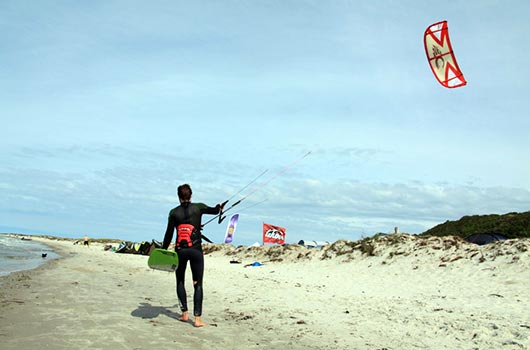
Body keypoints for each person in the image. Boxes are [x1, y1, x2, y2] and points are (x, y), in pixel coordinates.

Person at [162, 184, 224, 327]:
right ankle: (197, 319)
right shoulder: (198, 207)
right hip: (195, 250)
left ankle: (184, 314)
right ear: (191, 195)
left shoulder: (173, 213)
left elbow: (169, 234)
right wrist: (219, 207)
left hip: (180, 251)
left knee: (180, 281)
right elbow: (215, 211)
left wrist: (163, 250)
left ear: (178, 196)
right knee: (198, 283)